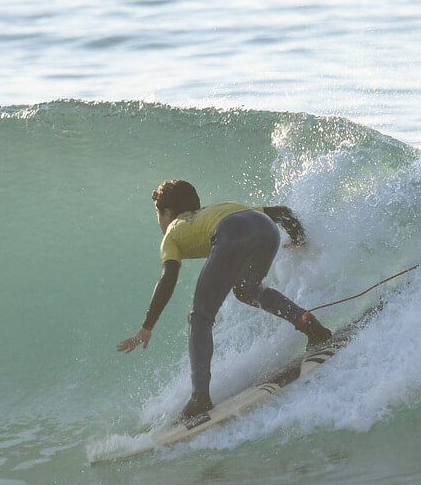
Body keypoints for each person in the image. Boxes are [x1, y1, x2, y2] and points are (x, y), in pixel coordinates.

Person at [117, 179, 333, 421]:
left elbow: (168, 277)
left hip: (231, 234)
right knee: (246, 290)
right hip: (266, 229)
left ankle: (200, 397)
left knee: (200, 316)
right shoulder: (218, 209)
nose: (159, 221)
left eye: (158, 214)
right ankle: (310, 325)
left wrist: (147, 326)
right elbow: (282, 213)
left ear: (167, 213)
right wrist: (299, 240)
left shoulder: (172, 233)